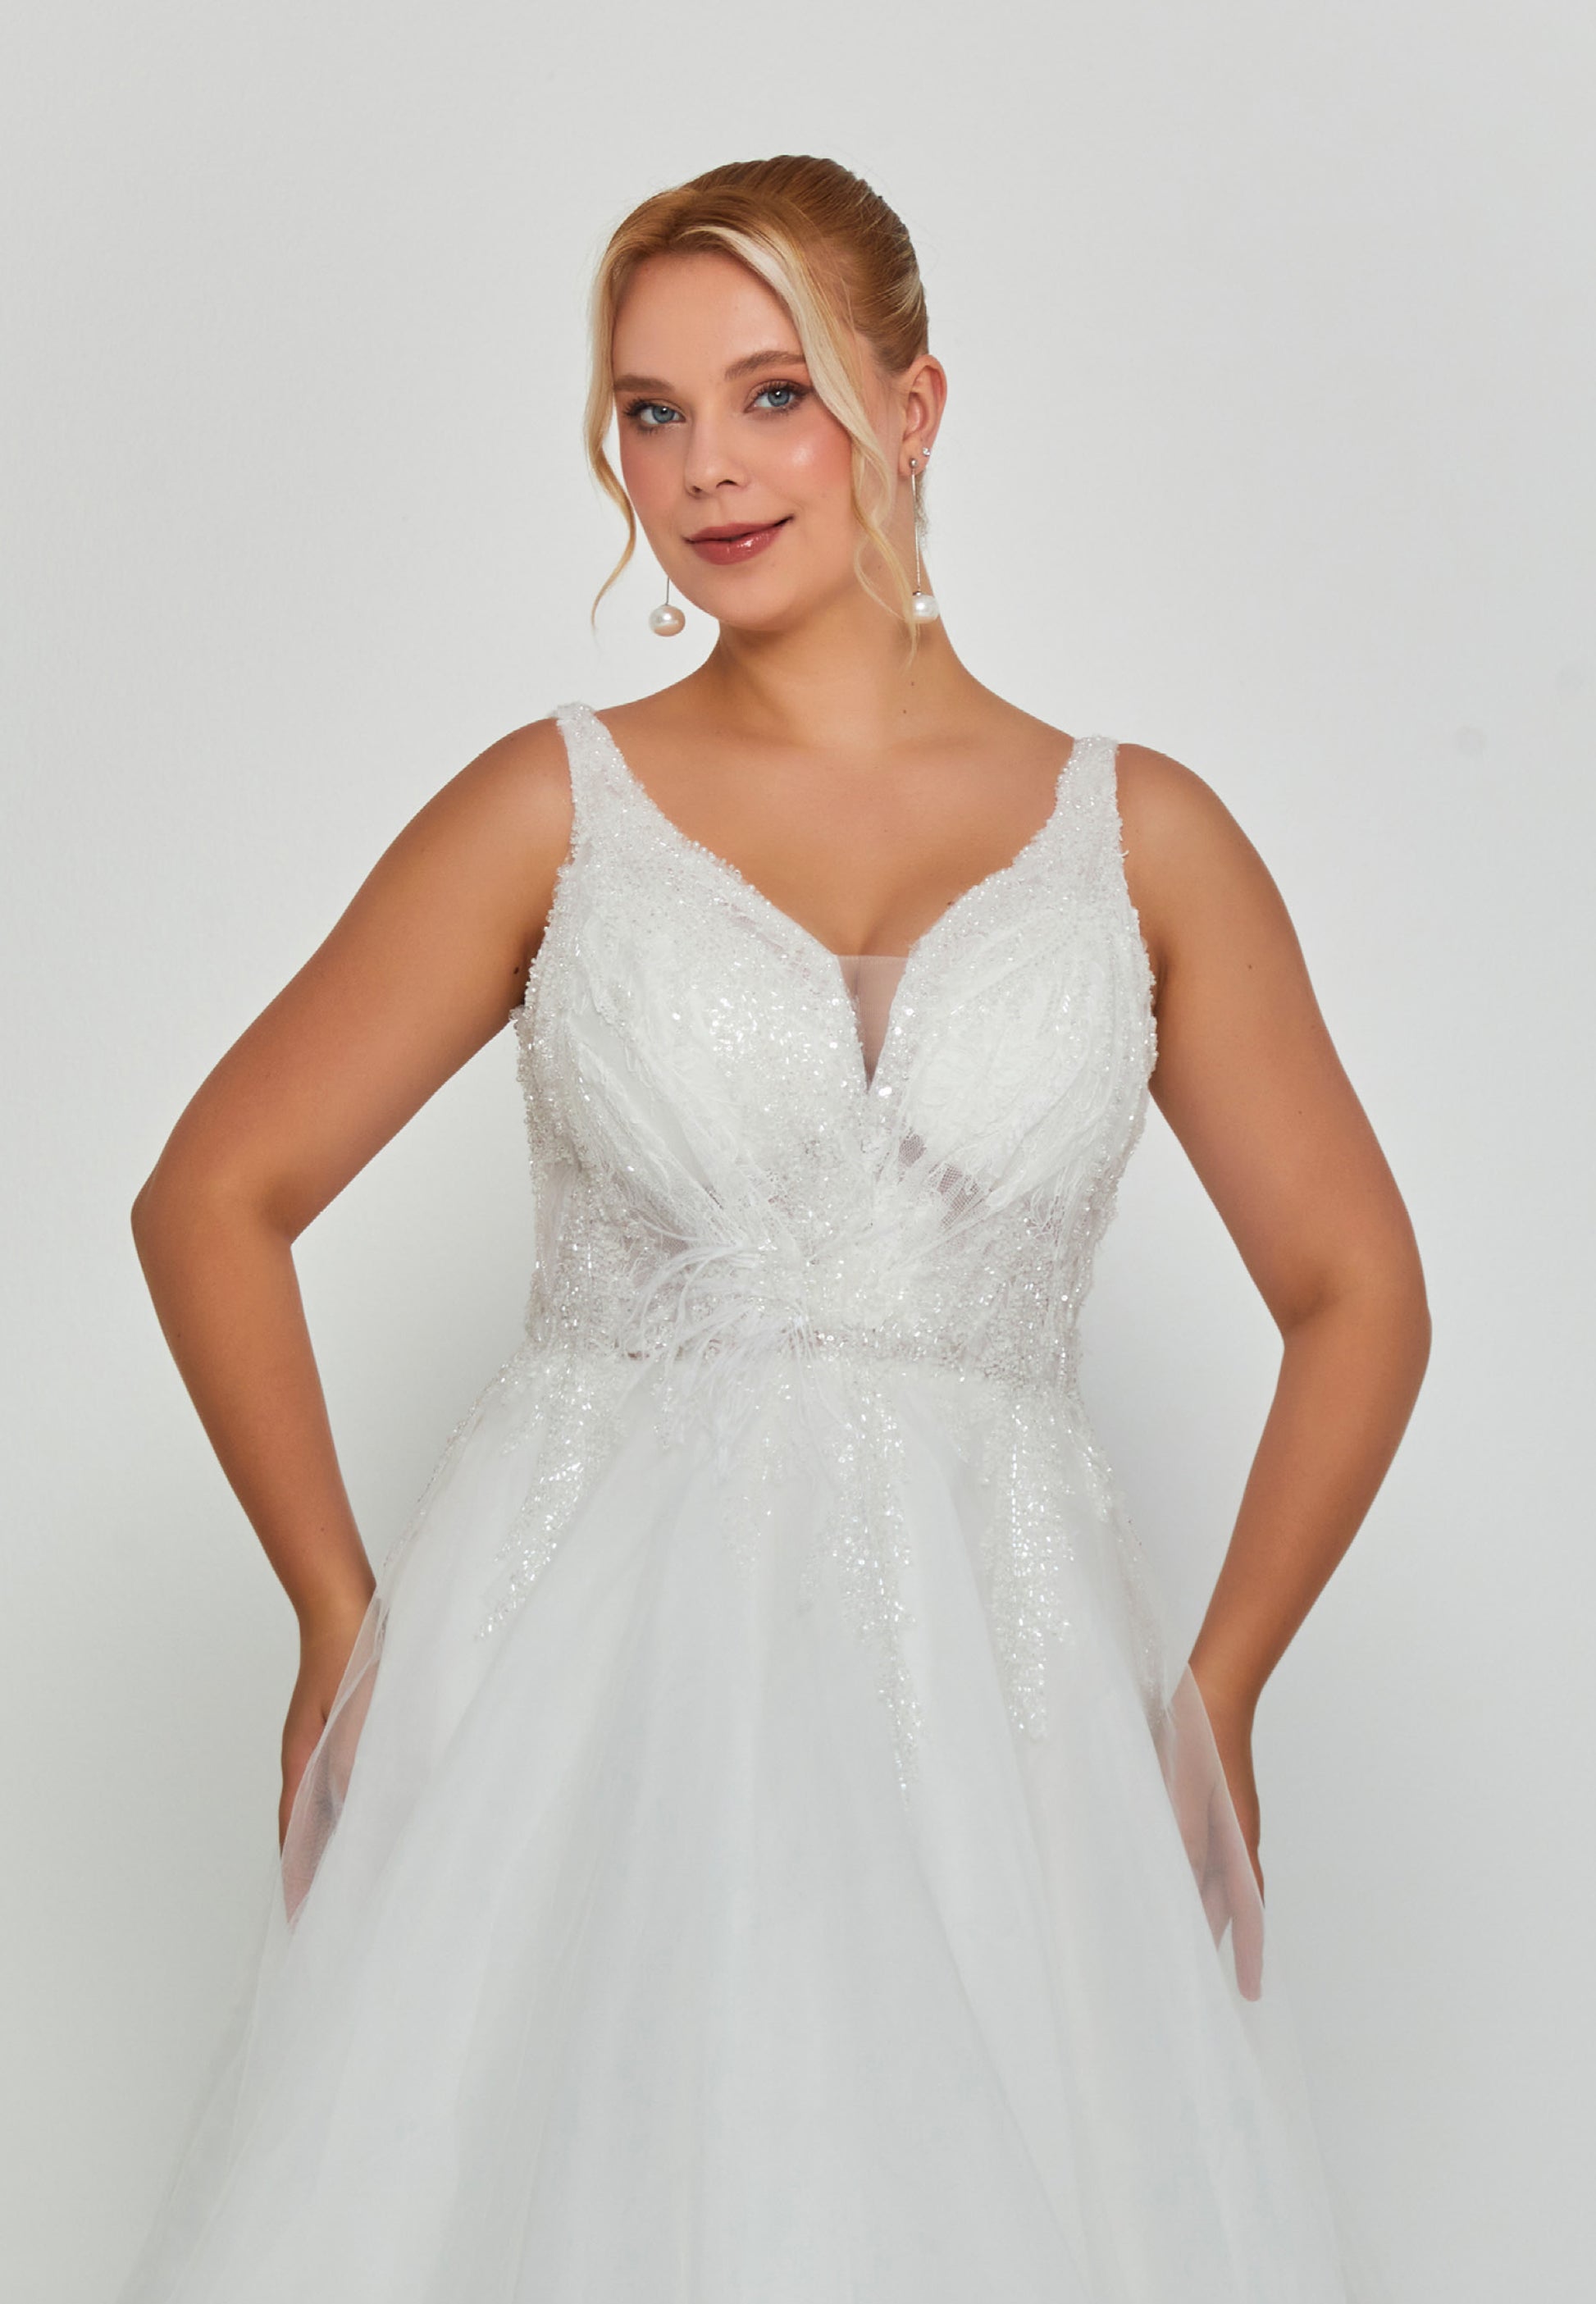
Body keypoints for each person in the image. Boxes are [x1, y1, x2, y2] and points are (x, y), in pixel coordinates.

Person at [122, 154, 1430, 2303]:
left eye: (772, 393)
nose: (706, 468)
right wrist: (338, 1624)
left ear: (911, 407)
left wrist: (1220, 1692)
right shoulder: (552, 804)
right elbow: (213, 1194)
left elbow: (1355, 1289)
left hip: (997, 1693)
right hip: (578, 1683)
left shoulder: (1145, 838)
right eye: (649, 413)